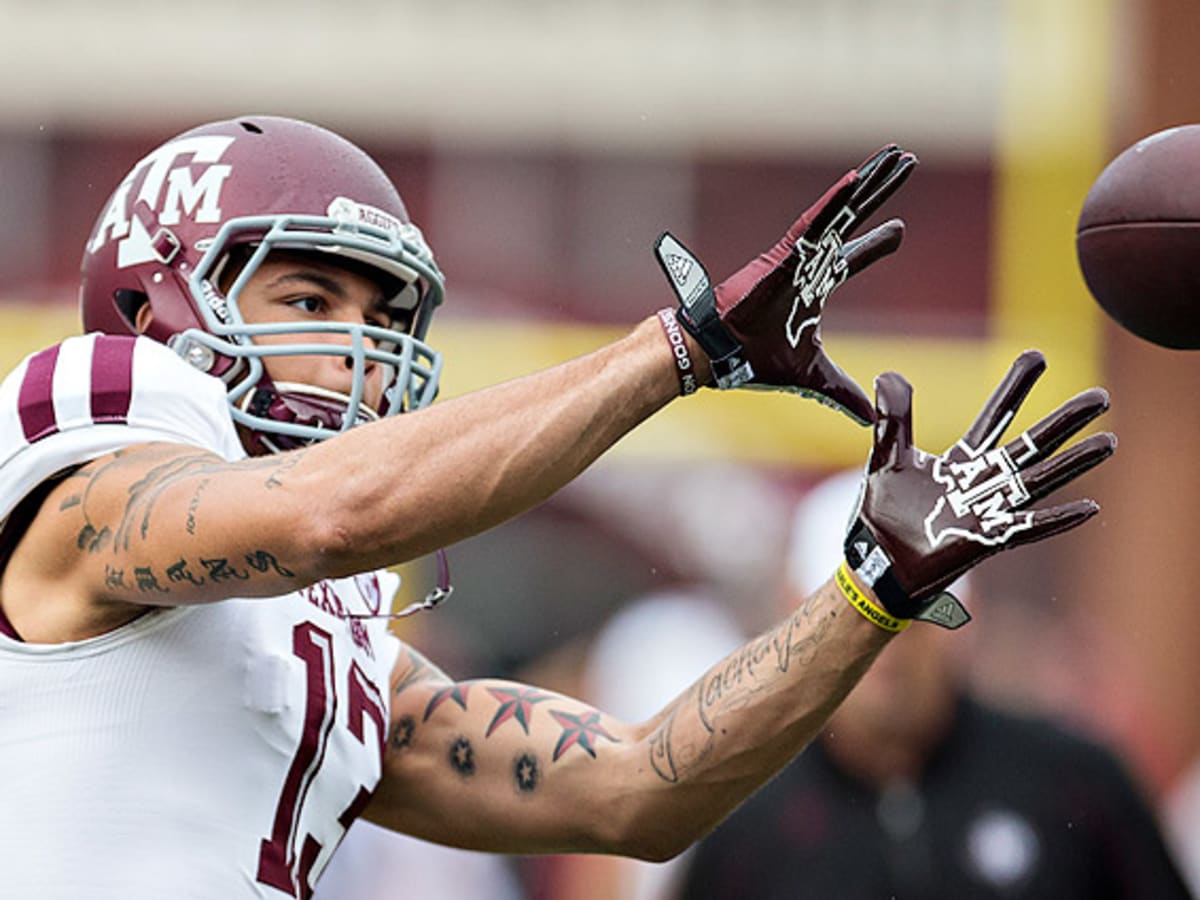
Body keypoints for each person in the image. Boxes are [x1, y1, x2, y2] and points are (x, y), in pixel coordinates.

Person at [0, 115, 1116, 899]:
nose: (362, 356)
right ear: (150, 309)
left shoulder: (314, 640)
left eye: (381, 320)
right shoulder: (88, 430)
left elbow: (634, 793)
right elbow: (322, 517)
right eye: (307, 297)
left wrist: (871, 591)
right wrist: (684, 349)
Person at [674, 470, 1193, 900]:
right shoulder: (743, 823)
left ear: (965, 615)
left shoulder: (1076, 783)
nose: (882, 642)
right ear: (793, 624)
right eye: (848, 620)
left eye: (911, 609)